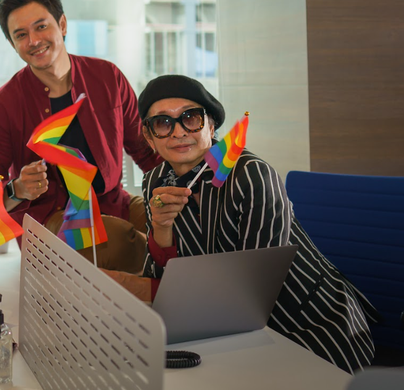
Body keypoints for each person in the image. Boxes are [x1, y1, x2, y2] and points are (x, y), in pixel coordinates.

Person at [106, 74, 377, 373]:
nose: (178, 132)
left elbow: (249, 294)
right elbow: (164, 273)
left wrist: (138, 288)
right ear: (148, 137)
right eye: (162, 123)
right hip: (219, 327)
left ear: (211, 125)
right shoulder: (154, 182)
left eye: (191, 118)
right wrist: (161, 228)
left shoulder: (251, 175)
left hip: (309, 320)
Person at [0, 0, 159, 236]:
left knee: (185, 225)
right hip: (52, 223)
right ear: (12, 44)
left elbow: (146, 150)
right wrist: (17, 189)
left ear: (62, 25)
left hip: (116, 205)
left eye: (41, 26)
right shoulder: (1, 106)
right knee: (128, 243)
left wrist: (178, 192)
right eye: (20, 35)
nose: (34, 41)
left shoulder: (108, 77)